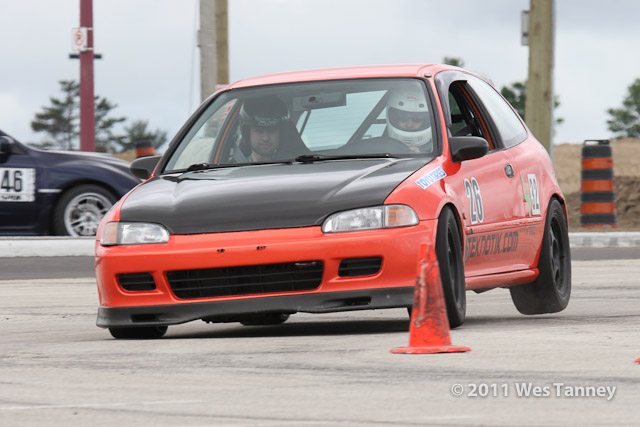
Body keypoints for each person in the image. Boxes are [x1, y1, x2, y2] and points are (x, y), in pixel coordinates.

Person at [235, 96, 289, 162]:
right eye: (259, 131)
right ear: (247, 134)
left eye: (271, 131)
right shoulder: (235, 167)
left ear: (281, 134)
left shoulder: (294, 166)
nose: (266, 138)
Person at [386, 88, 432, 152]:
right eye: (402, 118)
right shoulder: (382, 145)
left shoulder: (438, 148)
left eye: (416, 119)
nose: (409, 125)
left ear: (425, 121)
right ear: (394, 119)